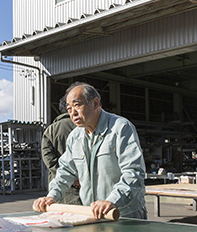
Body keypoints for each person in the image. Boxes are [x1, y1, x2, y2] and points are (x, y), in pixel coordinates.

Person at [33, 82, 147, 219]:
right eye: (69, 109)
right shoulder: (75, 137)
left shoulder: (120, 128)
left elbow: (133, 172)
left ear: (95, 103)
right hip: (92, 214)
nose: (73, 112)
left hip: (124, 215)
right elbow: (65, 171)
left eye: (77, 105)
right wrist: (51, 196)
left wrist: (112, 200)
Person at [41, 95, 81, 205]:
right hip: (83, 182)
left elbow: (48, 158)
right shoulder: (83, 127)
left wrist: (66, 176)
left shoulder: (50, 130)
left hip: (60, 184)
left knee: (62, 217)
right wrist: (79, 177)